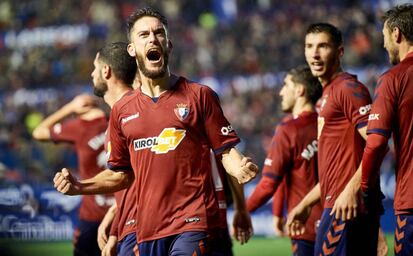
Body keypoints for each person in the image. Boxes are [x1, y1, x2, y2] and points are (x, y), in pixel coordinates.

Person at [53, 7, 258, 255]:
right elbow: (121, 176)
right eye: (144, 34)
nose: (152, 38)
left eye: (158, 33)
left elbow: (226, 150)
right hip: (148, 231)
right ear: (132, 49)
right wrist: (79, 187)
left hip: (193, 223)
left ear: (168, 44)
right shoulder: (122, 111)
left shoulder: (199, 95)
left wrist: (238, 167)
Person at [285, 23, 385, 256]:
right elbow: (334, 171)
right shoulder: (325, 97)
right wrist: (305, 205)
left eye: (323, 46)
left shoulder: (349, 89)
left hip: (347, 209)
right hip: (336, 205)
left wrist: (352, 190)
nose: (315, 53)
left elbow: (377, 144)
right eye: (309, 46)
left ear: (339, 52)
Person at [246, 66, 323, 256]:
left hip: (303, 226)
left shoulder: (288, 130)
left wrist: (243, 211)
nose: (281, 91)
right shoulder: (327, 123)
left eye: (286, 85)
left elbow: (269, 183)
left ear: (299, 91)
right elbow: (283, 174)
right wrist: (277, 212)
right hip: (335, 222)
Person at [359, 4, 413, 255]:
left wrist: (365, 191)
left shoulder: (393, 78)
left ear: (396, 34)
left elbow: (377, 143)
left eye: (383, 38)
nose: (383, 46)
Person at [32, 94, 113, 256]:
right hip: (121, 212)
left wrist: (68, 108)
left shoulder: (78, 127)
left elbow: (38, 132)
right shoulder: (117, 121)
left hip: (93, 216)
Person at [88, 41, 138, 256]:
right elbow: (136, 180)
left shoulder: (132, 112)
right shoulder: (121, 113)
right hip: (129, 227)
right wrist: (116, 215)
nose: (91, 74)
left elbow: (127, 179)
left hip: (142, 230)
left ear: (106, 71)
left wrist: (77, 186)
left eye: (94, 68)